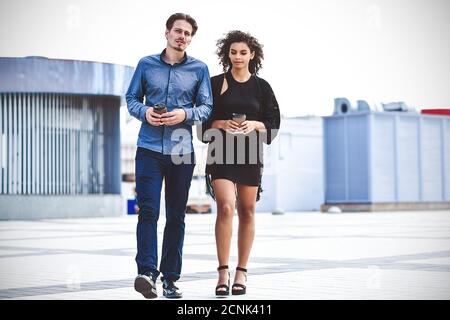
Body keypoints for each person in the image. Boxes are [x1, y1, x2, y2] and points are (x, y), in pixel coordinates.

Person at [126, 13, 213, 299]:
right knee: (148, 212)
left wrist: (184, 114)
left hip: (180, 150)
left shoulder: (199, 69)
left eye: (187, 33)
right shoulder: (146, 64)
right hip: (148, 149)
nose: (182, 37)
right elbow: (131, 99)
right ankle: (147, 273)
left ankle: (170, 279)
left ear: (191, 38)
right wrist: (145, 113)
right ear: (166, 32)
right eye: (178, 31)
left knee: (176, 216)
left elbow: (206, 107)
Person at [200, 30, 280, 296]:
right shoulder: (214, 83)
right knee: (225, 207)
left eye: (243, 52)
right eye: (233, 52)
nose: (237, 57)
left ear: (252, 55)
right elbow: (201, 125)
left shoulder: (262, 87)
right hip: (220, 152)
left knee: (247, 211)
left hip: (249, 154)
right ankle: (222, 270)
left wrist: (254, 124)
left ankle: (241, 271)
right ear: (227, 54)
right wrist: (219, 123)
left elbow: (273, 123)